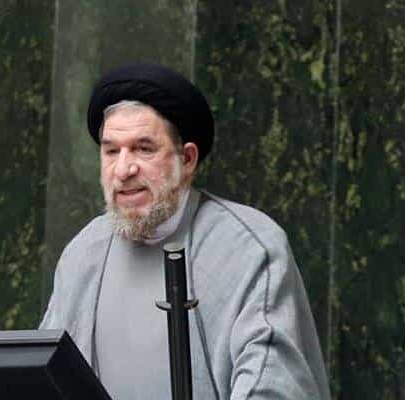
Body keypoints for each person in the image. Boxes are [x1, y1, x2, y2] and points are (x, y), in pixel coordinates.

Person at [40, 63, 331, 400]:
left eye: (144, 149)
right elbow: (43, 377)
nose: (123, 169)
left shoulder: (249, 249)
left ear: (187, 159)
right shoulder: (83, 253)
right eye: (111, 151)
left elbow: (272, 387)